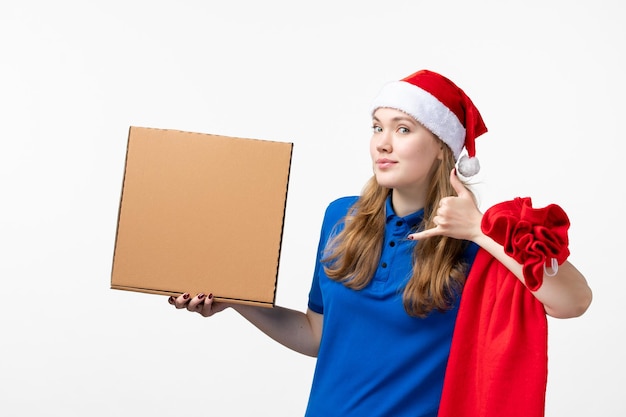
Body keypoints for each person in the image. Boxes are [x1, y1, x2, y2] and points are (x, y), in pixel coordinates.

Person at [169, 69, 592, 417]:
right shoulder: (341, 217)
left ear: (442, 149)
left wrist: (479, 230)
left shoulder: (481, 241)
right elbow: (318, 336)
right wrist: (237, 300)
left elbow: (573, 300)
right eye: (377, 128)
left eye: (403, 129)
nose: (382, 143)